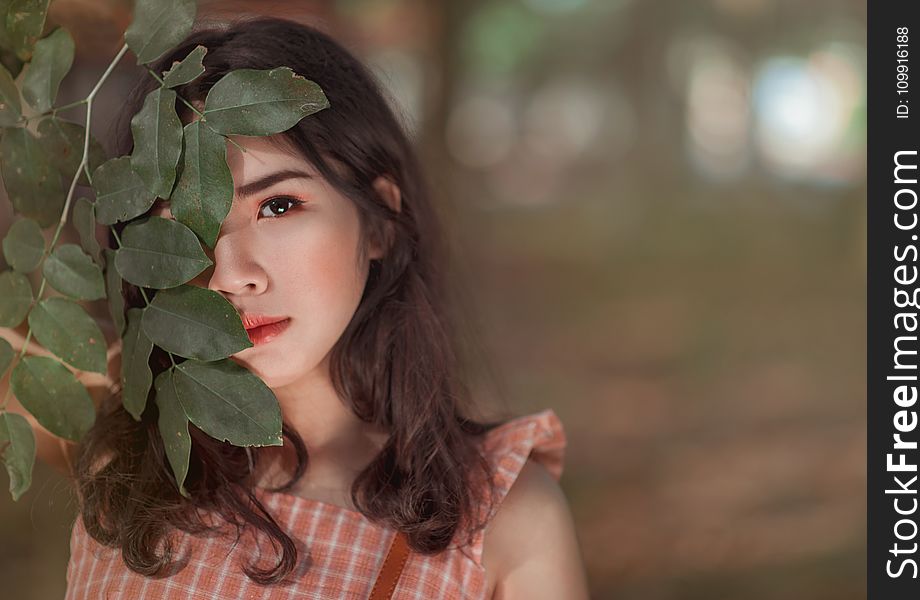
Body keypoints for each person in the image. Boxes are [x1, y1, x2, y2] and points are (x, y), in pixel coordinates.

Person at [1, 17, 589, 599]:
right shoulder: (113, 432)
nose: (232, 275)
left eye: (278, 206)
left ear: (380, 221)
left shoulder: (499, 519)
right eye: (185, 226)